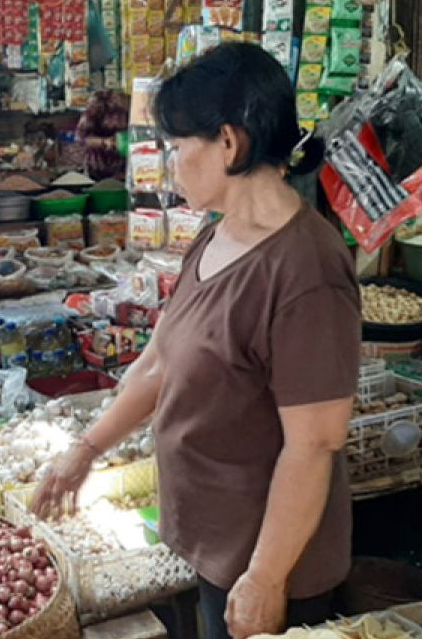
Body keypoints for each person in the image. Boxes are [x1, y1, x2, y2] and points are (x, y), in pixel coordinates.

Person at [33, 42, 359, 639]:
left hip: (268, 562)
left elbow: (314, 444)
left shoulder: (304, 268)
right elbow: (160, 364)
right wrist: (87, 449)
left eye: (179, 148)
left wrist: (265, 578)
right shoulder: (215, 238)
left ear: (229, 144)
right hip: (214, 543)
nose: (172, 163)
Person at [75, 89, 129, 180]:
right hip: (98, 169)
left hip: (124, 169)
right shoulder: (100, 102)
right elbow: (81, 138)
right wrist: (104, 142)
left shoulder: (138, 106)